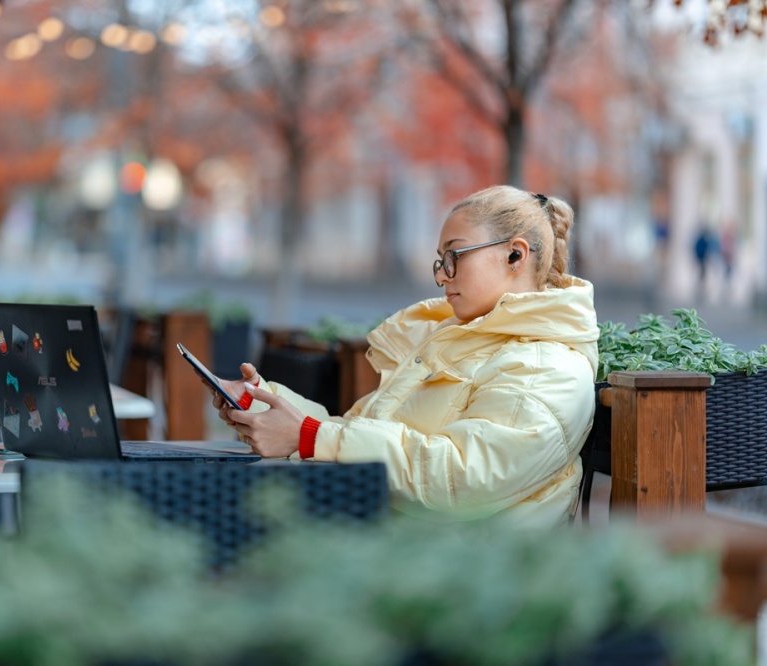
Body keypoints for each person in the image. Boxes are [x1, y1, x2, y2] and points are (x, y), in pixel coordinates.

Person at [205, 185, 599, 527]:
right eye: (440, 262)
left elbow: (461, 478)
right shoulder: (462, 341)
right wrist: (271, 404)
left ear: (516, 256)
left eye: (455, 257)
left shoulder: (546, 366)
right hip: (403, 557)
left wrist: (311, 437)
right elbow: (365, 435)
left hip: (461, 586)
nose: (442, 276)